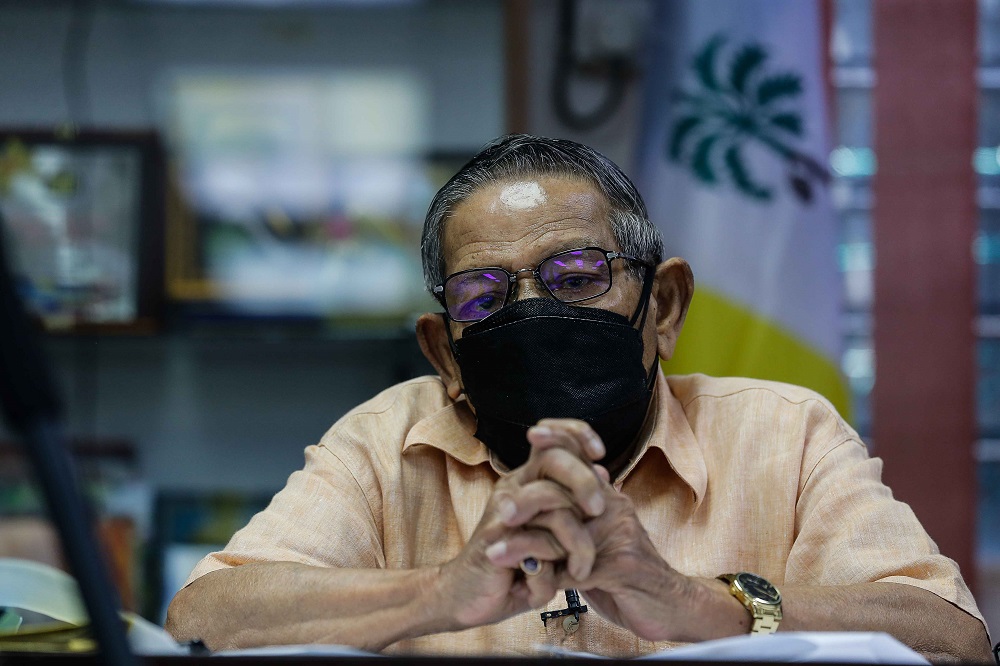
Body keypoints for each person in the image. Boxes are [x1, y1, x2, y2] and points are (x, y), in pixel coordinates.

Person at [165, 135, 992, 662]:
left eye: (575, 277)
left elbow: (951, 640)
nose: (533, 314)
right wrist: (442, 594)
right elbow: (204, 618)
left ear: (662, 306)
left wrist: (696, 603)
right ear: (443, 349)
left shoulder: (786, 432)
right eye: (485, 297)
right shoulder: (388, 441)